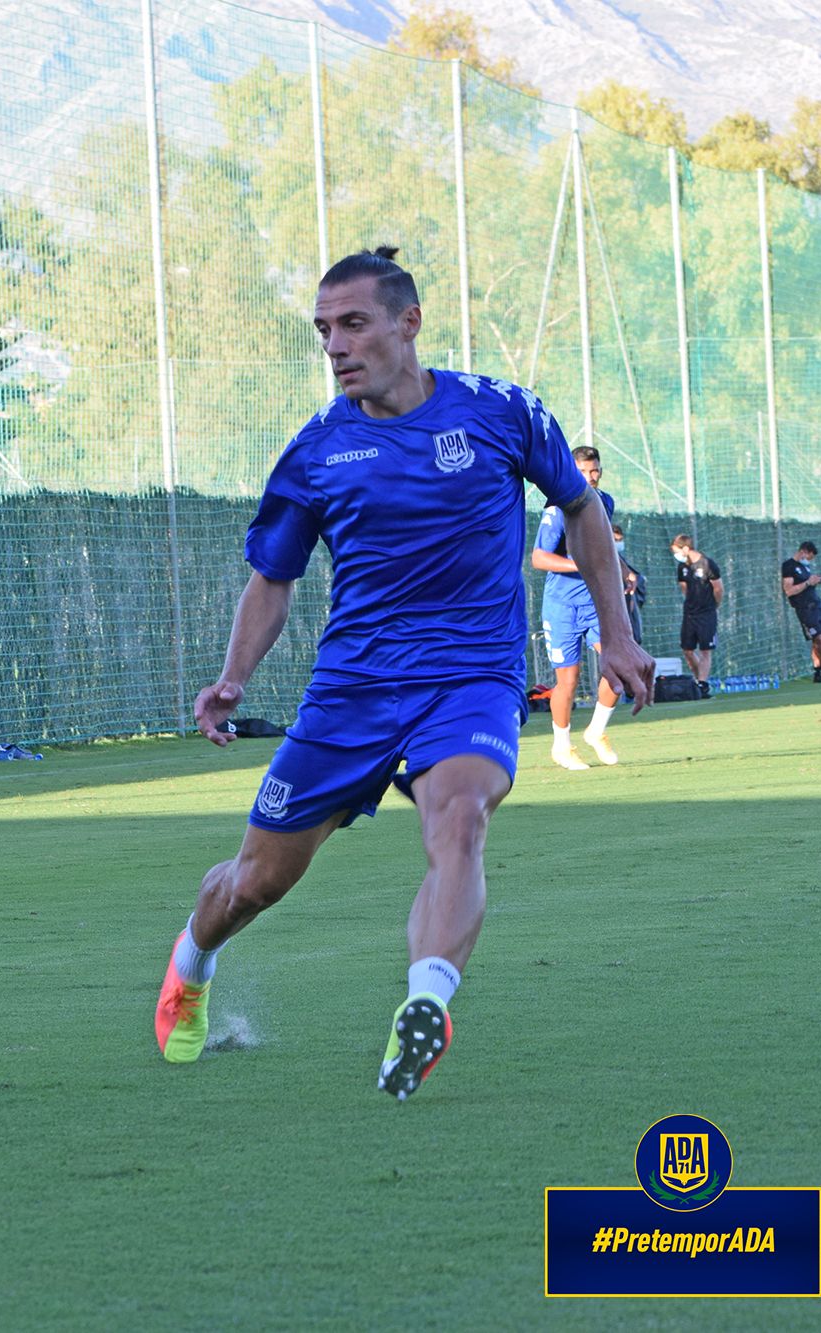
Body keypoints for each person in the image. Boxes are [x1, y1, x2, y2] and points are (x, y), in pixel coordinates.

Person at [152, 247, 652, 1101]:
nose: (336, 346)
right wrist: (234, 675)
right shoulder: (316, 450)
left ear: (408, 322)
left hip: (471, 678)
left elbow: (579, 505)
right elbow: (274, 578)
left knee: (459, 821)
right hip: (352, 691)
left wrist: (618, 632)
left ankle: (426, 1004)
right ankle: (190, 966)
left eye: (352, 324)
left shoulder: (499, 411)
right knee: (256, 882)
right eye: (323, 331)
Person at [531, 445, 623, 768]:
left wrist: (624, 571)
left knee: (618, 668)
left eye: (594, 470)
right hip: (562, 606)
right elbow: (539, 558)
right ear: (570, 471)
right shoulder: (557, 507)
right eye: (582, 472)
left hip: (596, 600)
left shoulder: (605, 502)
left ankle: (596, 731)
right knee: (568, 681)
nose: (589, 477)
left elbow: (602, 548)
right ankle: (561, 746)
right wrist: (579, 565)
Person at [669, 534, 722, 698]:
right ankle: (700, 681)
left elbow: (718, 589)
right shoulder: (682, 567)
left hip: (706, 613)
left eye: (677, 551)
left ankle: (702, 684)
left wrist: (714, 605)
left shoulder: (707, 564)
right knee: (687, 650)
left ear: (685, 548)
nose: (676, 555)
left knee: (705, 650)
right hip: (689, 614)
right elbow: (684, 588)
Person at [780, 540, 821, 683]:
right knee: (819, 638)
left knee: (819, 640)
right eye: (809, 557)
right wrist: (808, 582)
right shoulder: (788, 566)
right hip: (805, 609)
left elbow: (807, 583)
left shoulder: (805, 567)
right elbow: (789, 590)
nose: (809, 560)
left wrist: (815, 580)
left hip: (816, 606)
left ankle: (818, 673)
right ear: (803, 551)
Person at [612, 523, 645, 643]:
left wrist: (631, 599)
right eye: (615, 540)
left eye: (620, 540)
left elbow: (634, 581)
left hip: (627, 608)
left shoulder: (623, 561)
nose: (618, 543)